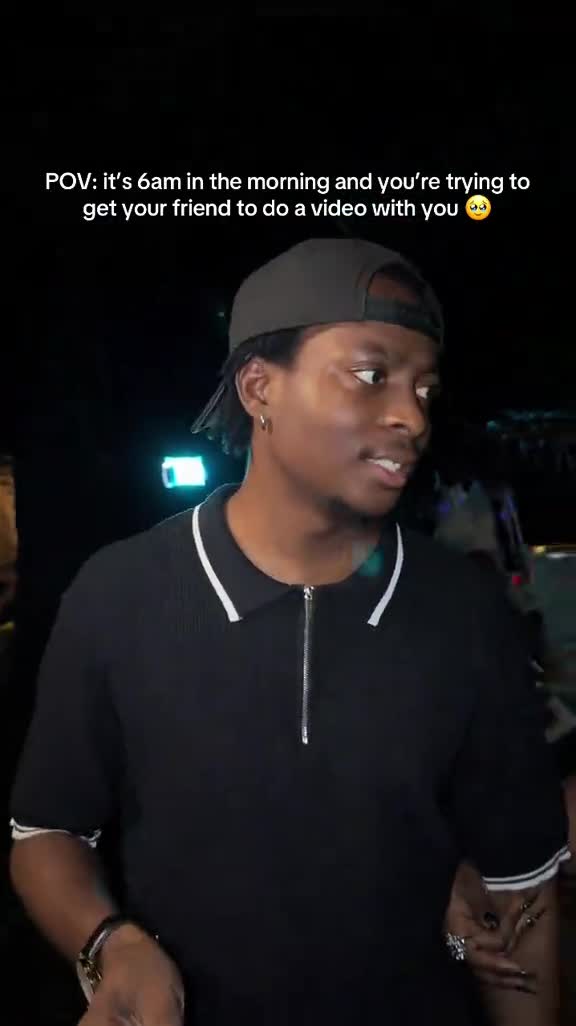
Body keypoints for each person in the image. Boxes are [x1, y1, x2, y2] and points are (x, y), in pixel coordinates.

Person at [8, 238, 570, 1025]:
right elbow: (47, 833)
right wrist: (109, 943)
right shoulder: (118, 594)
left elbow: (521, 900)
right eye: (371, 375)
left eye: (425, 389)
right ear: (259, 386)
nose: (411, 417)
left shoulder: (465, 613)